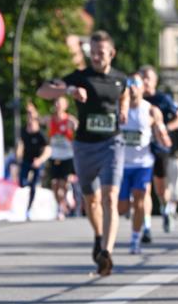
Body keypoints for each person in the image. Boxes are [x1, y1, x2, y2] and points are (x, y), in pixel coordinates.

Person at [38, 30, 128, 276]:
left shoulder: (120, 79)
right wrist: (69, 91)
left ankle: (107, 252)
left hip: (112, 143)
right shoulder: (79, 77)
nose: (97, 57)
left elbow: (126, 92)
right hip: (85, 146)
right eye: (93, 53)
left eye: (101, 53)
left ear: (112, 53)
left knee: (110, 197)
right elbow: (43, 91)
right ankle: (99, 235)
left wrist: (124, 109)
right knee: (91, 201)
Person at [118, 73, 171, 253]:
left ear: (142, 89)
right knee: (122, 206)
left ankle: (135, 239)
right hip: (123, 164)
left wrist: (161, 133)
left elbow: (165, 140)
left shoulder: (151, 110)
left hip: (143, 163)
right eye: (130, 85)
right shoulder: (119, 109)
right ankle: (133, 218)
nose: (133, 88)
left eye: (136, 85)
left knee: (140, 199)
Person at [139, 65, 178, 235]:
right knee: (144, 188)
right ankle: (147, 226)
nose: (145, 81)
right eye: (142, 77)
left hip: (159, 147)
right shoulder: (134, 100)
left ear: (154, 81)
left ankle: (166, 209)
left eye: (148, 78)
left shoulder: (163, 99)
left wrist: (164, 128)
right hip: (140, 149)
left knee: (160, 188)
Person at [17, 101, 50, 219]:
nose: (29, 117)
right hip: (26, 160)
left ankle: (29, 209)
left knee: (33, 187)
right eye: (28, 114)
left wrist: (40, 160)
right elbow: (21, 144)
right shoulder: (24, 131)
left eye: (31, 114)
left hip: (37, 162)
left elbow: (47, 150)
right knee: (21, 183)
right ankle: (29, 182)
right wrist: (18, 156)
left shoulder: (40, 134)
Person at [46, 95, 77, 219]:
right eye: (56, 103)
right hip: (55, 156)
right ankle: (61, 205)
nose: (57, 105)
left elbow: (77, 130)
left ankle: (63, 204)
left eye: (60, 103)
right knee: (54, 184)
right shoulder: (50, 120)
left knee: (63, 183)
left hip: (67, 156)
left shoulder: (70, 120)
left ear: (65, 106)